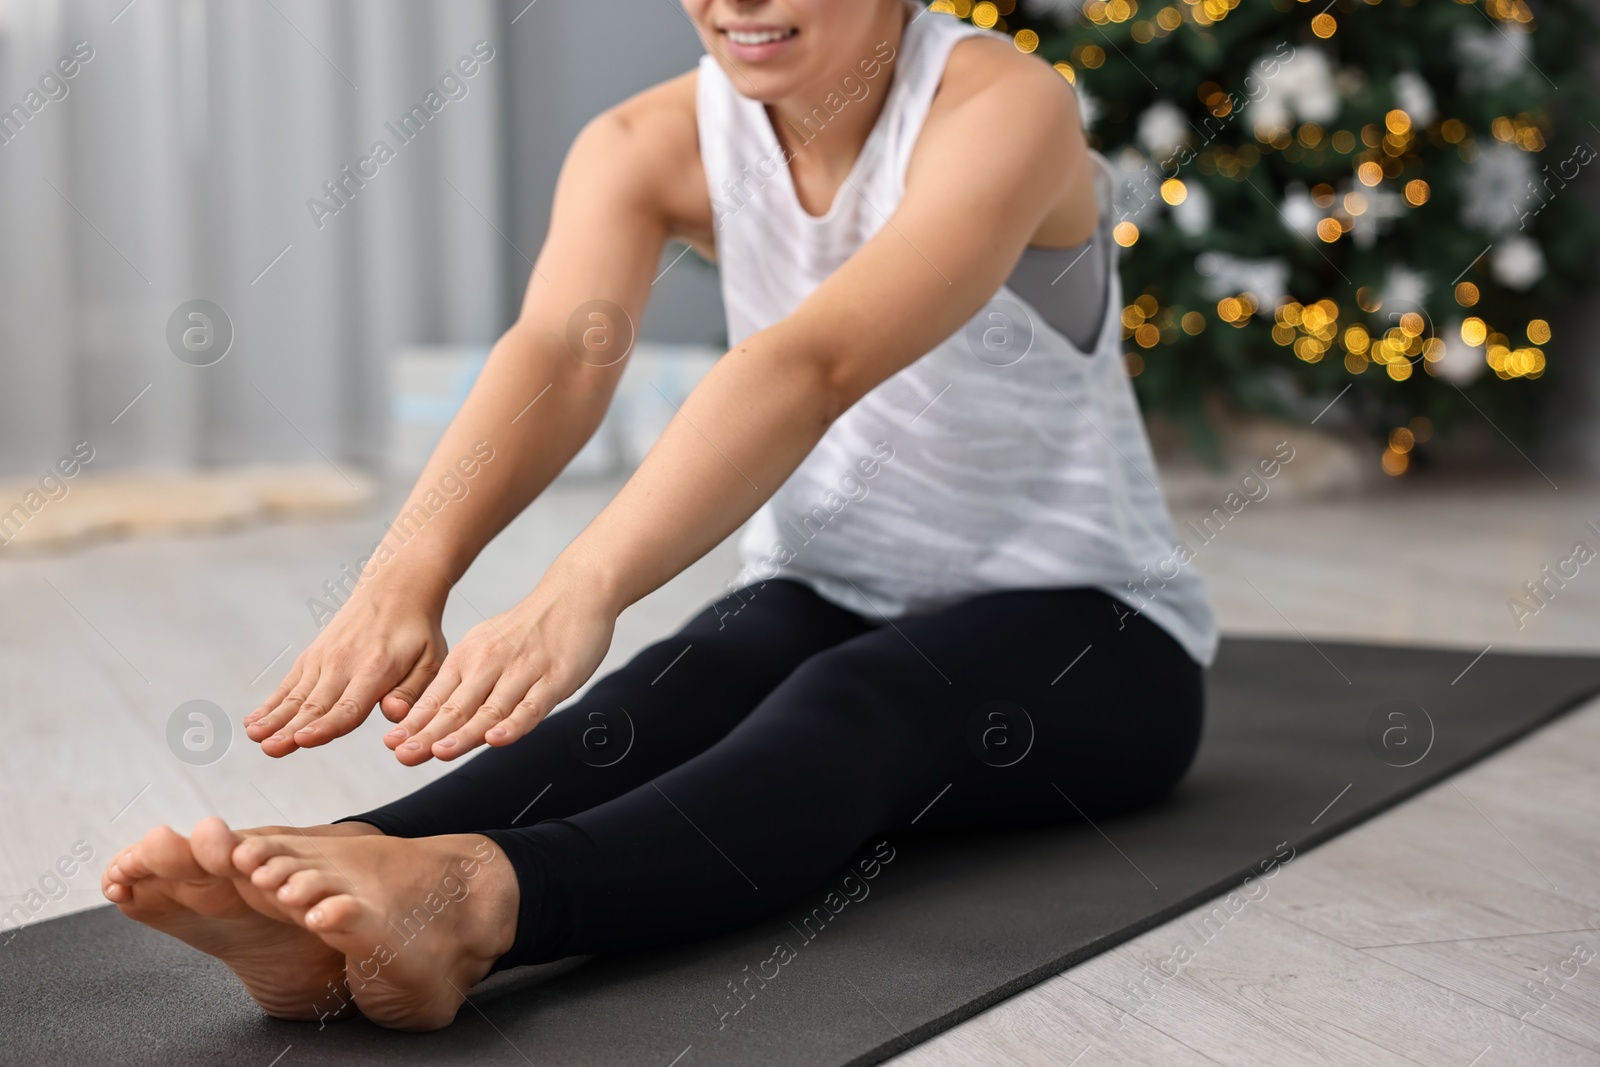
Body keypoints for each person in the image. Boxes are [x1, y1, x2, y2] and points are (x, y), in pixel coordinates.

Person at [103, 0, 1217, 1033]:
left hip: (1097, 629)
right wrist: (408, 570)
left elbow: (812, 360)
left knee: (859, 698)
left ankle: (480, 905)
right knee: (673, 687)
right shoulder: (647, 143)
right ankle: (349, 874)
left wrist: (580, 584)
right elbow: (556, 355)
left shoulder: (1003, 108)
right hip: (833, 585)